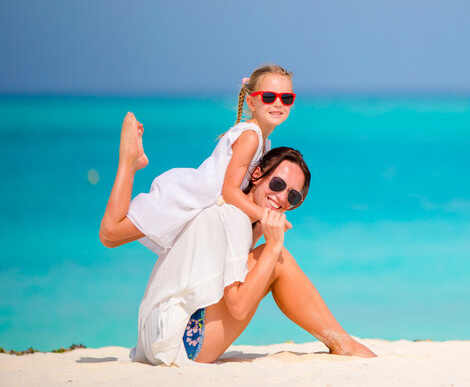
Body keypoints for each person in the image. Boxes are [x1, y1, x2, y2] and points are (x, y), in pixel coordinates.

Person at [106, 116, 375, 364]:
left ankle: (344, 342)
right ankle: (343, 343)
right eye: (278, 185)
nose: (282, 198)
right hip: (177, 343)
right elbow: (237, 306)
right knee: (279, 261)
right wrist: (273, 246)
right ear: (257, 174)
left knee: (270, 258)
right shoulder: (234, 217)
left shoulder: (236, 214)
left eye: (293, 197)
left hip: (157, 337)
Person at [99, 64, 297, 254]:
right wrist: (265, 215)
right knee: (110, 232)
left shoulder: (264, 142)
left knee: (112, 238)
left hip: (203, 203)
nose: (278, 103)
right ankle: (129, 161)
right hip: (190, 198)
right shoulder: (251, 137)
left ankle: (132, 161)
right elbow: (229, 192)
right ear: (251, 102)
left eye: (286, 98)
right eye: (269, 97)